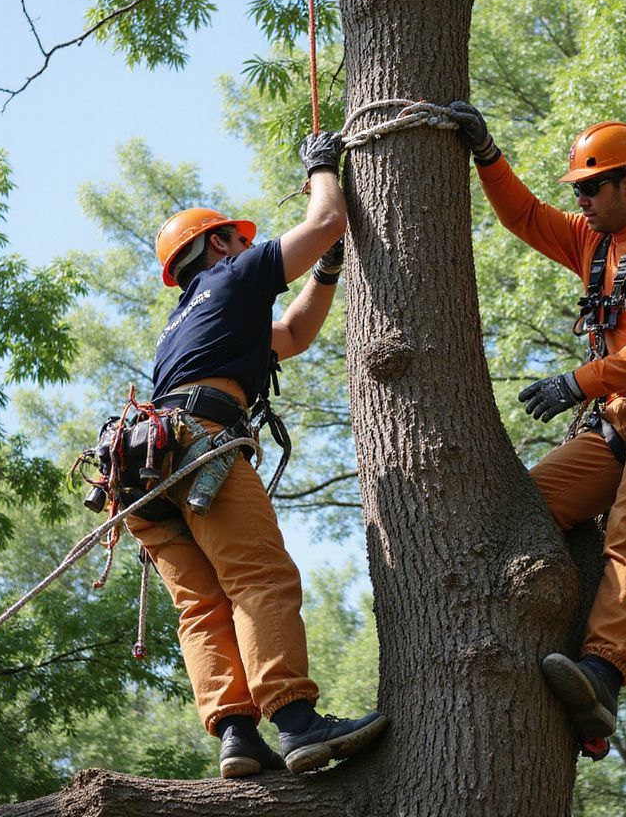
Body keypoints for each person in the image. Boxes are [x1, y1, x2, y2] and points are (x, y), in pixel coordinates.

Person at [455, 106, 626, 748]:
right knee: (526, 508)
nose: (580, 198)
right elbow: (523, 217)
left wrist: (576, 382)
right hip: (617, 418)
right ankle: (578, 686)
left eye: (590, 186)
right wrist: (487, 154)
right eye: (577, 187)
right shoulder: (592, 242)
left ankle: (602, 671)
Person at [127, 131, 388, 778]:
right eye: (239, 238)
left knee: (202, 607)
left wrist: (326, 272)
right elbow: (326, 219)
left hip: (139, 478)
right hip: (197, 450)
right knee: (260, 580)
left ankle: (238, 736)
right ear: (217, 245)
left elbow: (293, 334)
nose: (251, 246)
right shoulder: (235, 277)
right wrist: (322, 166)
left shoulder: (186, 321)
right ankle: (297, 723)